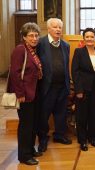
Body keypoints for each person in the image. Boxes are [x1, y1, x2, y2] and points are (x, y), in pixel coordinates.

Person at [8, 22, 43, 165]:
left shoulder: (32, 50)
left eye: (36, 35)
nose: (34, 38)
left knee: (33, 124)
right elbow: (15, 74)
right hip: (24, 95)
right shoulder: (20, 49)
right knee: (26, 126)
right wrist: (20, 93)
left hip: (34, 93)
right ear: (24, 37)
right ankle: (24, 155)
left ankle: (30, 149)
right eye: (31, 36)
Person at [37, 18, 72, 152]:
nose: (58, 29)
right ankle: (43, 139)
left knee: (61, 113)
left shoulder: (65, 45)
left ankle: (59, 135)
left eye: (60, 27)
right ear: (48, 29)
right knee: (43, 114)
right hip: (47, 87)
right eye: (55, 27)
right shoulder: (40, 43)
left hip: (62, 86)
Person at [71, 28, 95, 151]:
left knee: (94, 115)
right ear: (84, 38)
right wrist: (78, 90)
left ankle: (93, 138)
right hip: (83, 90)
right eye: (87, 37)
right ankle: (82, 140)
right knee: (82, 116)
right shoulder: (79, 52)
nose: (90, 39)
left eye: (92, 36)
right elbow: (75, 72)